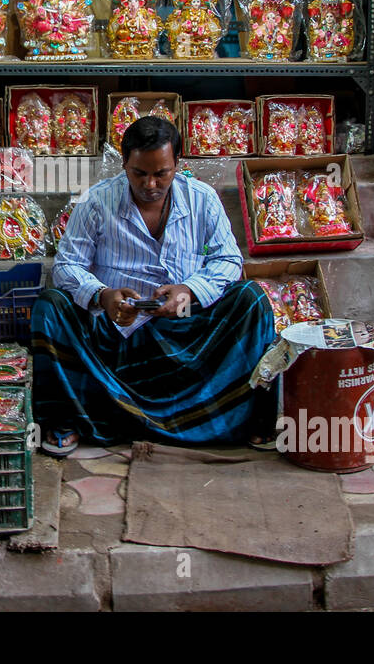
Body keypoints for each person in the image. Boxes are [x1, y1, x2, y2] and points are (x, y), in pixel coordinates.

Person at [32, 115, 276, 456]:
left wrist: (189, 291)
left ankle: (252, 420)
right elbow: (68, 266)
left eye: (161, 173)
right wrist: (103, 296)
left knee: (251, 300)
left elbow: (229, 262)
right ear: (125, 165)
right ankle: (63, 419)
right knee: (51, 306)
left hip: (186, 332)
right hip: (116, 336)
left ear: (177, 164)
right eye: (139, 173)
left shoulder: (202, 199)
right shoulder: (96, 202)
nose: (150, 184)